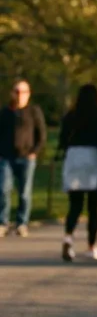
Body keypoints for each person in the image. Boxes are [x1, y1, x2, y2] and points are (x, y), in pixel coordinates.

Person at [58, 84, 97, 261]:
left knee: (75, 204)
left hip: (74, 158)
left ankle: (68, 238)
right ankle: (91, 246)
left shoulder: (70, 117)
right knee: (93, 206)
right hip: (92, 160)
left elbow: (62, 141)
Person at [0, 79, 46, 237]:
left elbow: (41, 134)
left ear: (28, 94)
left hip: (26, 157)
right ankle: (3, 222)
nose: (20, 96)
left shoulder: (33, 111)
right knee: (3, 189)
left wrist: (35, 151)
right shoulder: (6, 112)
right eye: (17, 92)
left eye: (23, 92)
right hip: (6, 157)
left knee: (24, 192)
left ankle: (22, 223)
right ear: (13, 93)